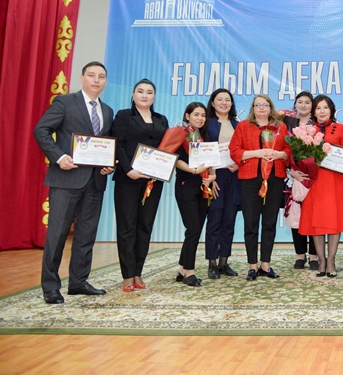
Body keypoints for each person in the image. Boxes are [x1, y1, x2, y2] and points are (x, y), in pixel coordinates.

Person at [33, 61, 115, 304]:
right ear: (82, 78)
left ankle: (78, 282)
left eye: (101, 76)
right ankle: (50, 287)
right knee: (57, 235)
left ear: (105, 82)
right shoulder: (65, 102)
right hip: (66, 179)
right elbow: (41, 130)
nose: (96, 80)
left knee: (86, 235)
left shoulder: (107, 111)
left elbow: (103, 145)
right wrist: (59, 157)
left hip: (95, 181)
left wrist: (108, 164)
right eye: (91, 75)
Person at [111, 78, 169, 292]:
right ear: (133, 95)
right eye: (141, 91)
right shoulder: (124, 116)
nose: (145, 95)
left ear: (154, 97)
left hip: (153, 181)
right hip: (128, 179)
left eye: (149, 92)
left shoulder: (161, 119)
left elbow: (166, 148)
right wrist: (128, 170)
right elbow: (118, 144)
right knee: (127, 227)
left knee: (145, 226)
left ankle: (138, 272)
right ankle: (127, 275)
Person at [229, 94, 291, 281]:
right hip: (250, 179)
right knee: (251, 223)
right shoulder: (243, 126)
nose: (261, 108)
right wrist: (258, 153)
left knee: (269, 223)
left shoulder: (281, 127)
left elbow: (289, 151)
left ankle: (266, 264)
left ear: (271, 108)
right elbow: (234, 151)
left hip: (275, 179)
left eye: (265, 105)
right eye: (257, 105)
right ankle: (252, 266)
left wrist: (279, 154)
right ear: (253, 108)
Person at [297, 95, 343, 278]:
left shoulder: (340, 128)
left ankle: (331, 260)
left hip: (335, 181)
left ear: (331, 110)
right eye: (318, 108)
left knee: (334, 221)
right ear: (313, 111)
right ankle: (321, 261)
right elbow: (300, 157)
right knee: (317, 223)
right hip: (315, 182)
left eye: (325, 107)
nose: (322, 111)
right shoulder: (306, 131)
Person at [174, 102, 216, 287]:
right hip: (186, 184)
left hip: (203, 186)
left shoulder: (204, 136)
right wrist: (193, 170)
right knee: (192, 228)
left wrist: (212, 176)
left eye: (203, 115)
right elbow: (174, 159)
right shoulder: (180, 133)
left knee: (196, 228)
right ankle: (189, 272)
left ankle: (182, 268)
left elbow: (211, 161)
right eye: (196, 114)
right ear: (187, 115)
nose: (200, 118)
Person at [204, 88, 241, 279]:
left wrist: (240, 164)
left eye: (227, 100)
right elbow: (201, 150)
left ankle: (224, 262)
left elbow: (243, 149)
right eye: (220, 99)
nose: (224, 103)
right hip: (215, 177)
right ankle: (212, 262)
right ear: (212, 103)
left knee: (229, 220)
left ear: (232, 104)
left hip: (234, 177)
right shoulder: (206, 123)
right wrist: (210, 174)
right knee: (215, 220)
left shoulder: (238, 124)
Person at [282, 91, 319, 271]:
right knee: (296, 215)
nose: (303, 105)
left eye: (307, 102)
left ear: (312, 106)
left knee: (313, 216)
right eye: (300, 102)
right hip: (294, 177)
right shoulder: (287, 124)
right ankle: (300, 255)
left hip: (315, 178)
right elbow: (283, 149)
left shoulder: (318, 126)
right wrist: (292, 171)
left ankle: (314, 255)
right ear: (295, 105)